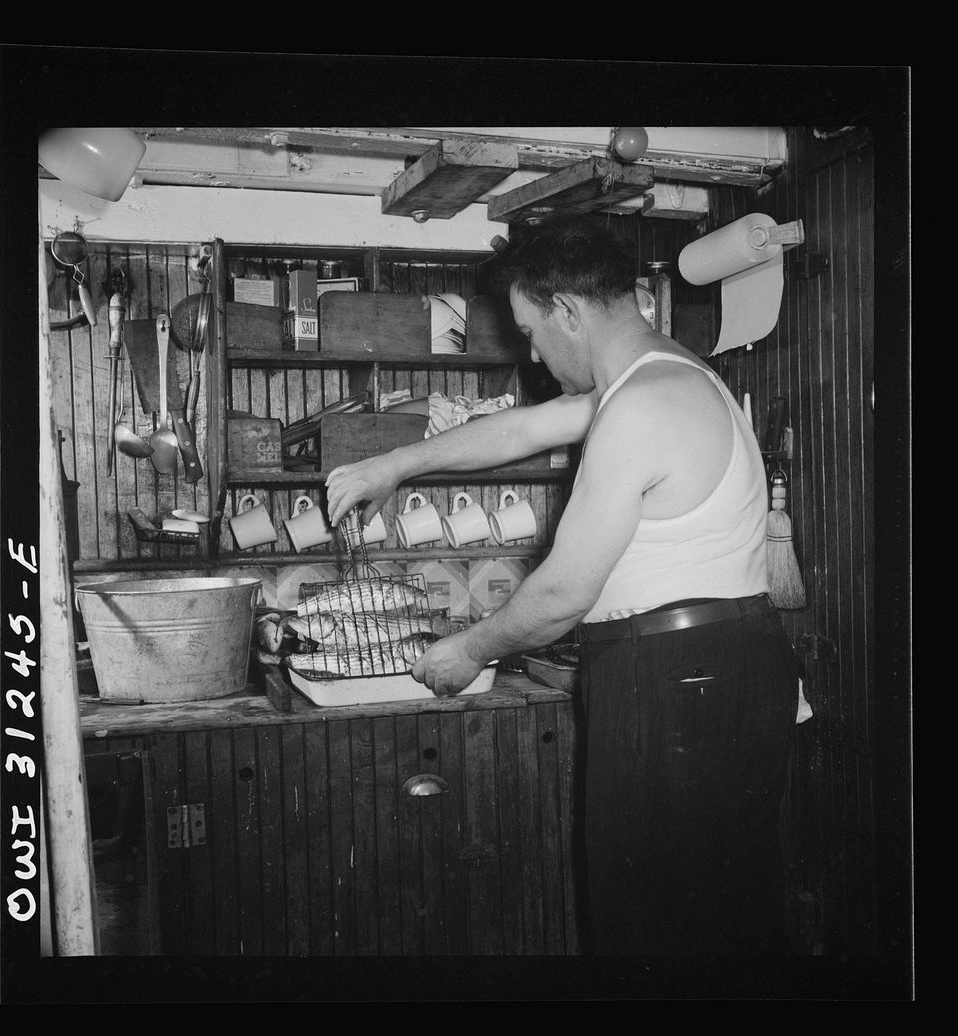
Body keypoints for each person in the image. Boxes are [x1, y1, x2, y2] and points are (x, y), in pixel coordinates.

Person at [325, 214, 799, 957]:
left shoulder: (640, 405)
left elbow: (563, 593)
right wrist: (394, 466)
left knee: (650, 926)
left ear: (569, 313)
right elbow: (518, 431)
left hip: (677, 680)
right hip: (727, 665)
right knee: (729, 917)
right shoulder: (670, 378)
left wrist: (466, 651)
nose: (534, 354)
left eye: (532, 331)